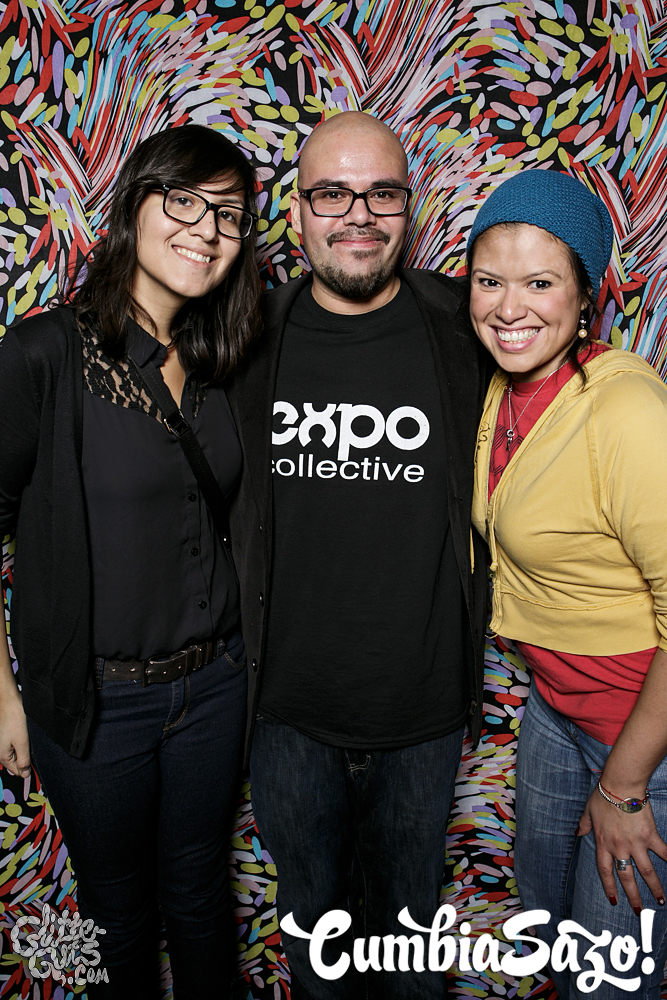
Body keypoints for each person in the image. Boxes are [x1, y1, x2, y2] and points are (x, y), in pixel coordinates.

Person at [226, 110, 490, 999]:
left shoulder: (466, 324)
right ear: (296, 213)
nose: (358, 216)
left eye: (381, 193)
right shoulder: (243, 336)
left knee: (411, 944)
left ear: (409, 207)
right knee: (316, 938)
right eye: (331, 195)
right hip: (285, 714)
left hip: (421, 712)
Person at [0, 124, 261, 999]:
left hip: (214, 687)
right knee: (117, 914)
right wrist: (3, 694)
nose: (206, 229)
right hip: (99, 701)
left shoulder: (224, 361)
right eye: (183, 201)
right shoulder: (43, 354)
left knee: (200, 893)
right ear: (134, 206)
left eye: (229, 214)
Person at [468, 168, 667, 999]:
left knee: (608, 980)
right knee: (548, 929)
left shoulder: (624, 411)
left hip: (643, 739)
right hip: (556, 709)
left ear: (586, 295)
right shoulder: (505, 388)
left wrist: (623, 787)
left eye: (539, 283)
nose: (508, 307)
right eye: (488, 281)